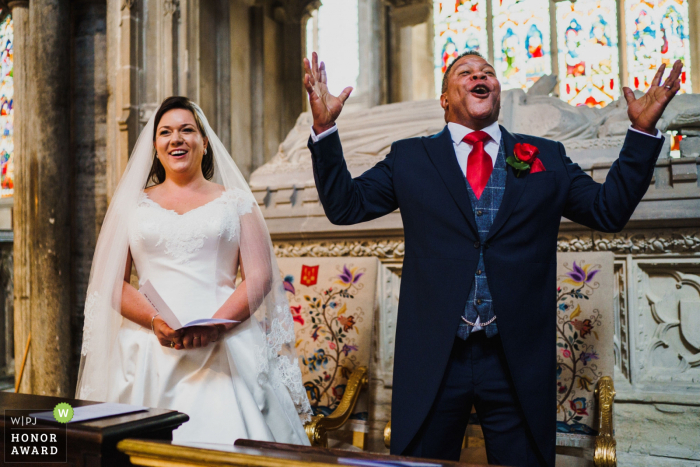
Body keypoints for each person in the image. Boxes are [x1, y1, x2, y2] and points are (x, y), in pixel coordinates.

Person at [303, 51, 682, 466]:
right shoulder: (410, 157)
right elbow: (345, 206)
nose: (479, 76)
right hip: (434, 358)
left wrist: (642, 133)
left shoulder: (546, 156)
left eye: (487, 72)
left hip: (516, 359)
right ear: (444, 98)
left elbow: (608, 211)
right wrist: (324, 130)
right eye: (465, 73)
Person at [76, 96, 312, 445]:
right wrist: (156, 322)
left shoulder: (237, 201)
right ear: (155, 147)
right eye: (166, 132)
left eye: (187, 130)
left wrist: (216, 327)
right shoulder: (131, 205)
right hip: (146, 349)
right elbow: (112, 282)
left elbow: (259, 276)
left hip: (226, 342)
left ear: (204, 142)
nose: (177, 139)